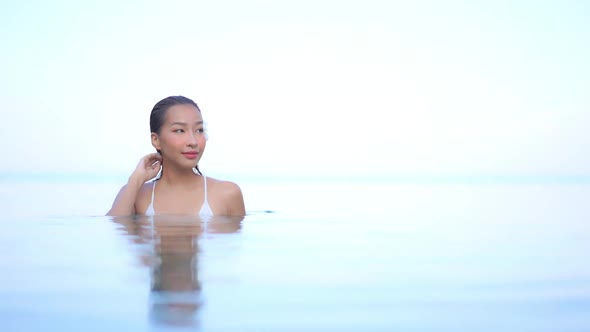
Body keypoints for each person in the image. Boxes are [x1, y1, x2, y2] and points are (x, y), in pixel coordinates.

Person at [107, 95, 245, 217]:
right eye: (180, 130)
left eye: (199, 130)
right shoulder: (136, 194)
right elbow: (114, 232)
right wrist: (135, 179)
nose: (193, 141)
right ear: (156, 140)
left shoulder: (227, 193)